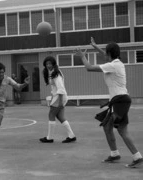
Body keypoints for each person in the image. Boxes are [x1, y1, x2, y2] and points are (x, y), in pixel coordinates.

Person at [74, 37, 143, 168]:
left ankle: (137, 156)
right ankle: (115, 154)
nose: (104, 55)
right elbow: (106, 56)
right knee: (108, 127)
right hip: (120, 100)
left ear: (110, 54)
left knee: (121, 130)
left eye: (106, 52)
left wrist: (83, 56)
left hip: (120, 100)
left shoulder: (113, 65)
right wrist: (95, 47)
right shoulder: (117, 62)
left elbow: (89, 67)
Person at [40, 56, 77, 143]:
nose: (48, 65)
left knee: (51, 115)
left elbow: (60, 88)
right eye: (46, 64)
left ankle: (49, 138)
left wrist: (60, 102)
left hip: (59, 97)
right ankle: (71, 136)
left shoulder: (56, 73)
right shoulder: (52, 72)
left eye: (50, 63)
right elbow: (55, 88)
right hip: (58, 97)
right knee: (60, 117)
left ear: (53, 64)